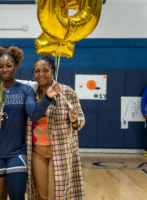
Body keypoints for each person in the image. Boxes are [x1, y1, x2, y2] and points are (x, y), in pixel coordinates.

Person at [0, 46, 59, 200]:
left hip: (17, 152)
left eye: (9, 66)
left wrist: (47, 98)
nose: (5, 70)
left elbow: (34, 114)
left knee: (17, 196)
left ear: (15, 66)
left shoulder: (25, 90)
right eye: (0, 66)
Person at [26, 56, 85, 200]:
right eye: (37, 71)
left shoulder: (66, 92)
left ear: (53, 71)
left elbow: (80, 120)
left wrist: (74, 119)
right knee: (41, 195)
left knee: (56, 195)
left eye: (45, 70)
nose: (41, 74)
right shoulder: (31, 92)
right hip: (36, 151)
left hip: (60, 151)